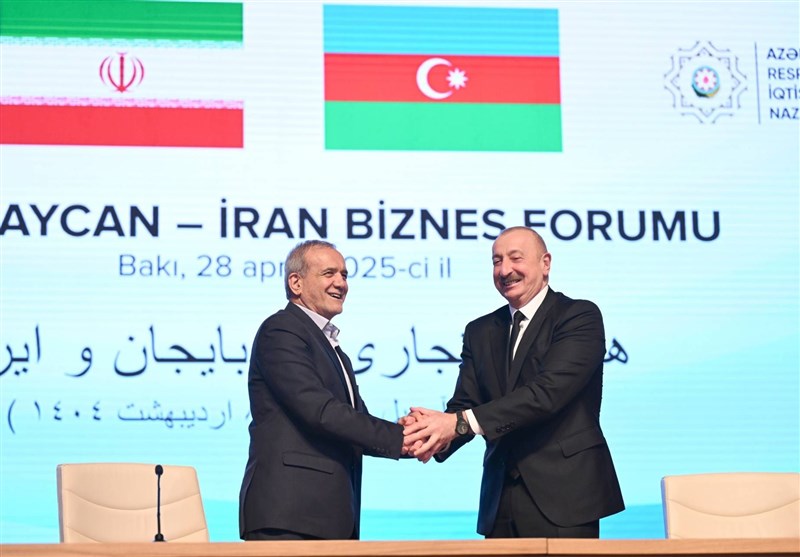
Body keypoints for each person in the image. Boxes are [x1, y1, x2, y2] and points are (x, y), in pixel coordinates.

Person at [403, 227, 624, 538]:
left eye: (515, 258)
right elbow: (465, 404)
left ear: (545, 263)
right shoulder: (480, 330)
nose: (505, 270)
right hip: (500, 499)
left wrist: (458, 423)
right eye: (497, 261)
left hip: (566, 496)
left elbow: (546, 394)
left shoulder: (578, 316)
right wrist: (427, 434)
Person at [239, 240, 405, 540]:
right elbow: (321, 412)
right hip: (289, 518)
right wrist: (402, 438)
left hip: (329, 520)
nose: (341, 283)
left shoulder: (334, 349)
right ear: (296, 283)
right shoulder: (281, 330)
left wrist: (421, 438)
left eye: (344, 275)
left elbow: (356, 424)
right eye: (329, 273)